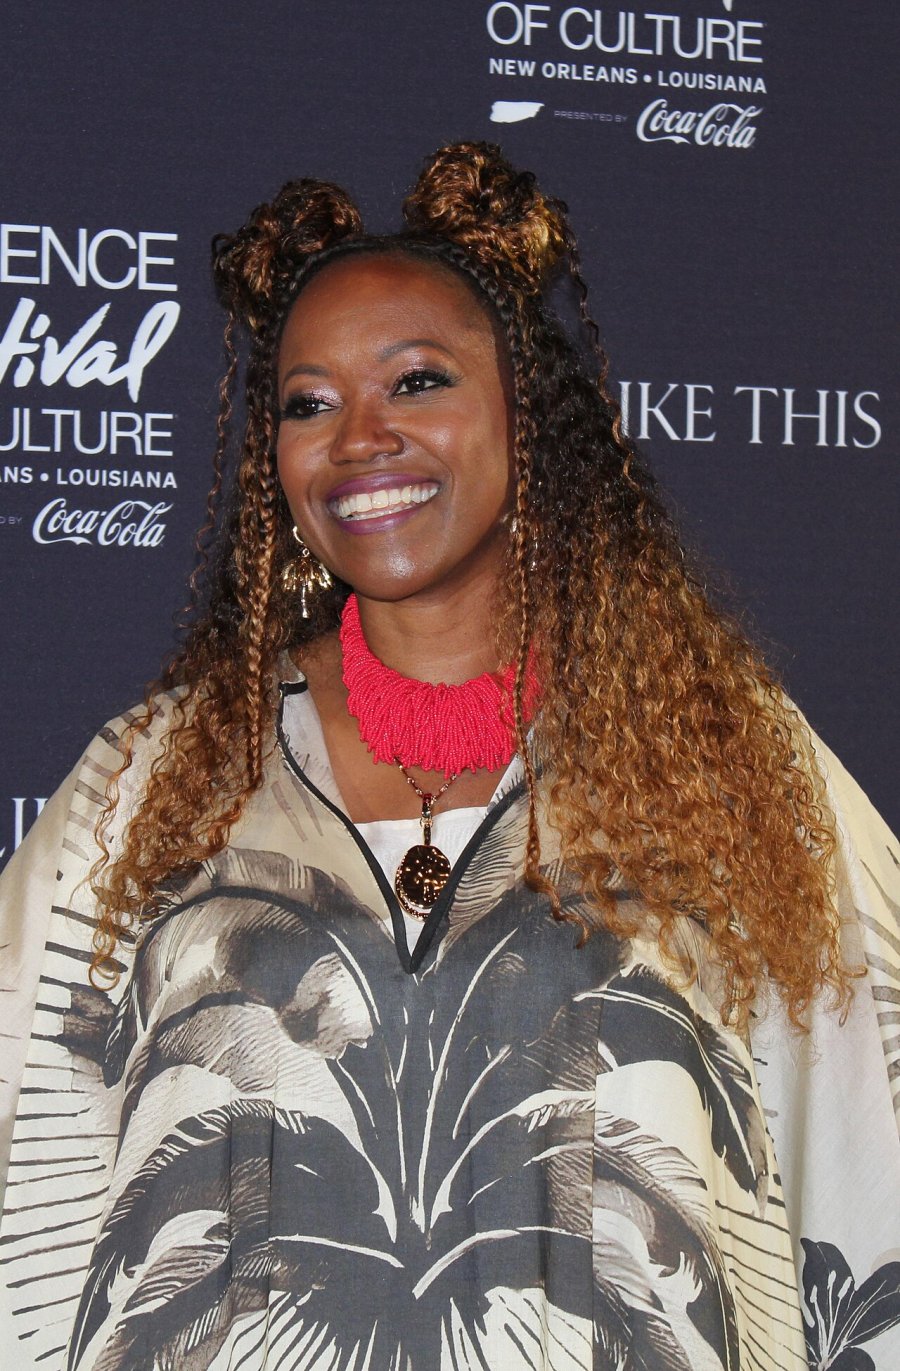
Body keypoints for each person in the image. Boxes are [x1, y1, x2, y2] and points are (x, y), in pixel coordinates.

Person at [0, 142, 897, 1371]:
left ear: (527, 416)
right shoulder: (155, 782)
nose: (359, 438)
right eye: (308, 403)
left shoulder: (724, 758)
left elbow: (860, 1120)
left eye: (416, 381)